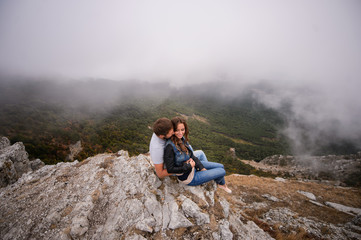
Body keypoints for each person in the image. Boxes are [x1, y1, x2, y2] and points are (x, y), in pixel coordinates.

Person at [164, 117, 232, 193]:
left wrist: (202, 168)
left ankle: (221, 184)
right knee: (222, 171)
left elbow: (191, 155)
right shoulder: (170, 146)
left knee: (221, 166)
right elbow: (170, 169)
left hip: (194, 167)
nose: (180, 133)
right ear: (173, 130)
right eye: (177, 130)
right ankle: (220, 183)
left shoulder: (181, 139)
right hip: (190, 177)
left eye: (182, 130)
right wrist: (189, 166)